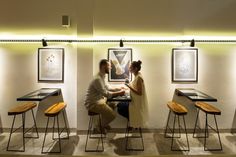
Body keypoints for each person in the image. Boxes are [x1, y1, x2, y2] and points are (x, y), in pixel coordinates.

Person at [84, 59, 125, 133]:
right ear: (103, 66)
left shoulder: (102, 76)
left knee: (113, 105)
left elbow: (108, 87)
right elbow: (106, 94)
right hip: (93, 103)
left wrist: (119, 88)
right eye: (109, 65)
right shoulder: (97, 79)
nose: (111, 67)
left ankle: (102, 124)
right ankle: (99, 126)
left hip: (99, 100)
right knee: (112, 115)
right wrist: (119, 93)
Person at [117, 60, 149, 128]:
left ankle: (132, 121)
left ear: (135, 68)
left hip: (136, 103)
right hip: (134, 100)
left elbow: (139, 92)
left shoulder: (139, 78)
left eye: (131, 67)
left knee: (120, 108)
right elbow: (134, 86)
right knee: (119, 105)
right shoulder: (137, 75)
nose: (129, 69)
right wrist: (128, 84)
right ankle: (131, 121)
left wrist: (128, 86)